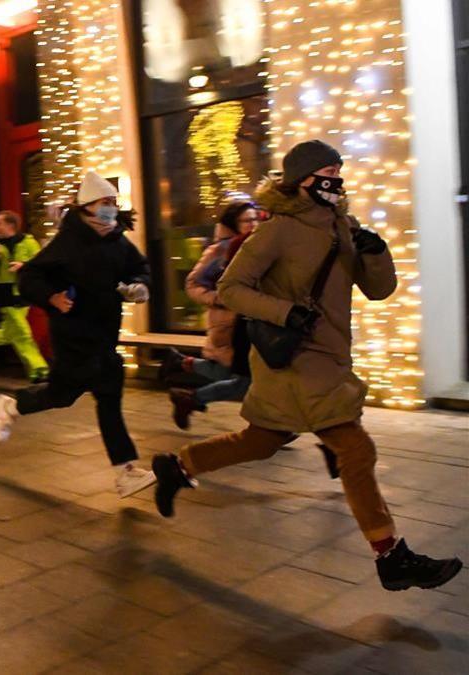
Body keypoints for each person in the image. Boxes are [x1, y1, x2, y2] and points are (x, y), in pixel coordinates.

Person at [152, 140, 463, 591]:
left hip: (329, 355)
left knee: (261, 441)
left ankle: (177, 468)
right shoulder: (277, 230)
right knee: (355, 450)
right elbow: (233, 287)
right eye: (328, 174)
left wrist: (376, 252)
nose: (336, 181)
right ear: (303, 181)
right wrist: (284, 312)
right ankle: (391, 556)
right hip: (297, 359)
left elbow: (379, 290)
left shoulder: (344, 226)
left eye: (339, 173)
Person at [0, 171, 157, 498]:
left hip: (104, 333)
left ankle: (125, 472)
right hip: (73, 335)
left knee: (107, 395)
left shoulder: (117, 240)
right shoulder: (67, 241)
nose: (111, 208)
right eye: (104, 202)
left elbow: (141, 268)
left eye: (113, 202)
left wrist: (140, 287)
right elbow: (30, 277)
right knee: (63, 395)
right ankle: (12, 404)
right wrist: (51, 297)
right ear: (86, 207)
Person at [160, 198, 260, 428]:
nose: (252, 224)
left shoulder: (255, 246)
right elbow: (193, 284)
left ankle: (184, 373)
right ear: (233, 224)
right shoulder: (221, 250)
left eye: (255, 219)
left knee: (233, 374)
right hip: (228, 323)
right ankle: (275, 427)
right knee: (242, 379)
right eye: (246, 220)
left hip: (247, 322)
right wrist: (217, 299)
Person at [0, 210, 50, 383]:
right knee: (22, 333)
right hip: (5, 295)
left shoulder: (28, 242)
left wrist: (23, 265)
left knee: (10, 333)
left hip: (24, 294)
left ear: (10, 225)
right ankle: (39, 369)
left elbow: (40, 264)